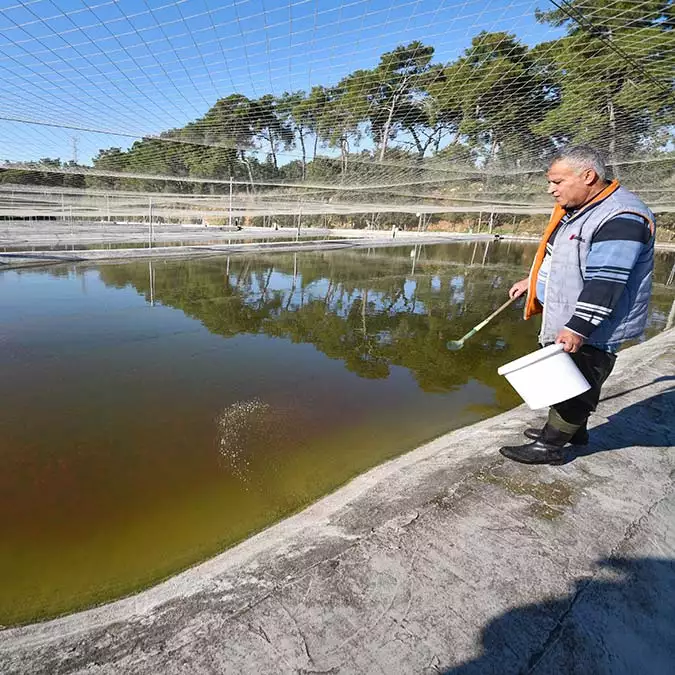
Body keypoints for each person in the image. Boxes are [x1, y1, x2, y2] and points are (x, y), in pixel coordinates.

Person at [500, 145, 656, 465]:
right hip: (570, 313)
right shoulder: (583, 210)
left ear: (588, 176)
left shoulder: (621, 217)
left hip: (593, 323)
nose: (550, 189)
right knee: (569, 375)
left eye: (557, 181)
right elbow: (563, 258)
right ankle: (575, 431)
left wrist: (578, 326)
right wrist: (534, 281)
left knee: (577, 380)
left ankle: (552, 446)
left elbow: (607, 282)